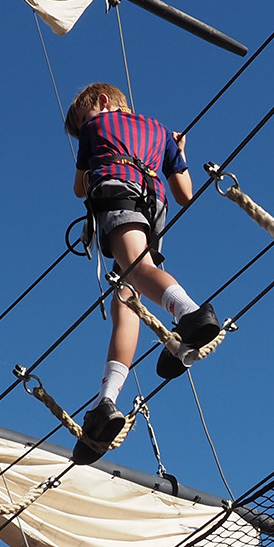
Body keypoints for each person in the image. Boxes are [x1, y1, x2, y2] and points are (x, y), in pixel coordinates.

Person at [66, 82, 220, 464]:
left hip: (119, 192)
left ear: (102, 103)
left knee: (136, 269)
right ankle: (106, 401)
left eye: (86, 117)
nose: (85, 126)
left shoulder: (94, 129)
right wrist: (179, 152)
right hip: (155, 205)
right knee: (126, 301)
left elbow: (78, 189)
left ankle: (189, 313)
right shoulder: (161, 133)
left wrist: (94, 143)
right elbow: (185, 194)